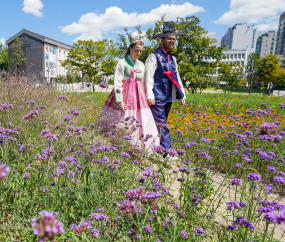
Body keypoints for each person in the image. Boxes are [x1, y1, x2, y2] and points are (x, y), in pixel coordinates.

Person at [97, 39, 159, 152]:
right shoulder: (122, 62)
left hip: (139, 96)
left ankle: (139, 144)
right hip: (125, 94)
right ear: (130, 48)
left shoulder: (141, 64)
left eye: (141, 51)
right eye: (136, 50)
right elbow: (117, 82)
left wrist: (148, 95)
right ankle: (120, 144)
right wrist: (120, 100)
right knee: (122, 118)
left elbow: (145, 82)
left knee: (141, 118)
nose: (139, 53)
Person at [144, 21, 186, 161]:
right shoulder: (153, 56)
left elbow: (177, 77)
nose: (172, 41)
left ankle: (153, 149)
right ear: (162, 40)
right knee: (162, 124)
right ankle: (167, 152)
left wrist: (182, 94)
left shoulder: (173, 59)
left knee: (160, 124)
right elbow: (148, 77)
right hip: (156, 96)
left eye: (174, 39)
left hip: (169, 96)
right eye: (169, 39)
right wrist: (149, 95)